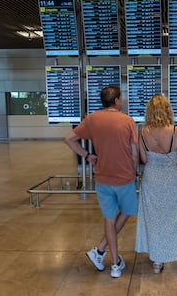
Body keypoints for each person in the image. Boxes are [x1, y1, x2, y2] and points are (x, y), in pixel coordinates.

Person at [64, 85, 138, 278]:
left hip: (103, 177)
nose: (123, 101)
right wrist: (136, 171)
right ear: (116, 101)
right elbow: (134, 151)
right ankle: (100, 251)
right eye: (121, 98)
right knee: (128, 211)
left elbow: (69, 139)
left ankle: (111, 261)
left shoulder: (92, 119)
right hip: (125, 177)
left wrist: (87, 155)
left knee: (109, 218)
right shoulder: (128, 121)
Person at [135, 94, 177, 277]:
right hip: (172, 181)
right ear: (167, 110)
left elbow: (143, 159)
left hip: (151, 181)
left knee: (156, 221)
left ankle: (157, 261)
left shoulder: (143, 131)